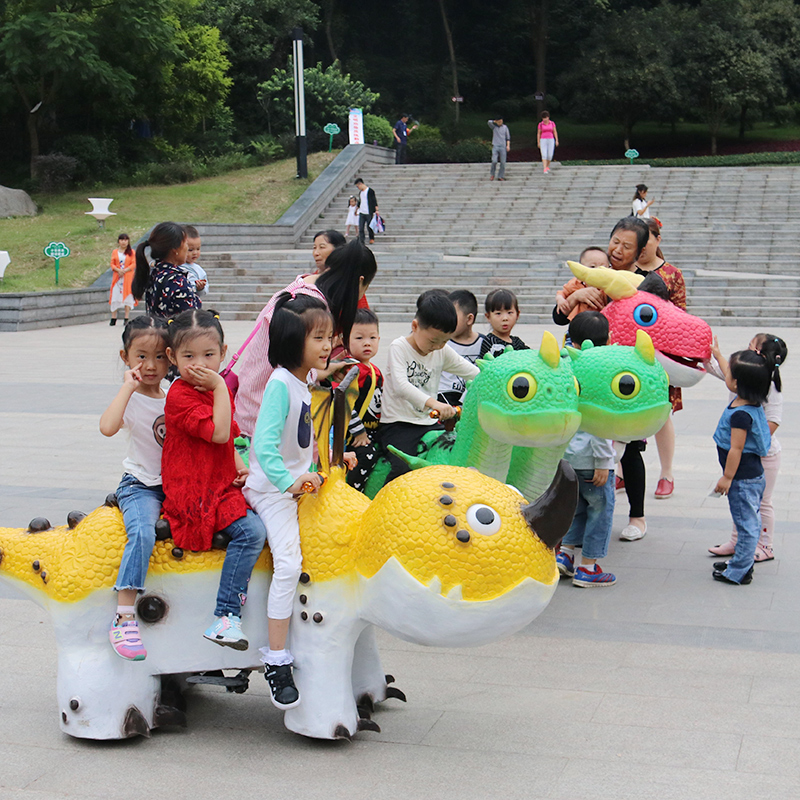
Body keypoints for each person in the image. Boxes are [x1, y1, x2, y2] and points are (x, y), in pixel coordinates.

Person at [243, 294, 337, 709]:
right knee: (290, 563)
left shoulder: (302, 381)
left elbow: (301, 438)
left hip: (299, 485)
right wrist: (289, 483)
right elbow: (263, 445)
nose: (327, 345)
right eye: (318, 338)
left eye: (329, 337)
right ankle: (276, 659)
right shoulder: (280, 382)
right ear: (291, 341)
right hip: (272, 491)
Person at [161, 309, 267, 649]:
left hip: (219, 481)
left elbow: (230, 440)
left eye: (209, 355)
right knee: (252, 533)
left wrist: (239, 466)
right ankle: (226, 615)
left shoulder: (213, 388)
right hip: (195, 490)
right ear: (172, 358)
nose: (200, 364)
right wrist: (221, 384)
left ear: (224, 353)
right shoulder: (180, 395)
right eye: (189, 356)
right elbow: (220, 433)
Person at [234, 240, 378, 442]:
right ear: (360, 281)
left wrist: (326, 369)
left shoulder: (304, 285)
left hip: (254, 406)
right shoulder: (312, 308)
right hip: (268, 420)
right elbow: (292, 369)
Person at [99, 315, 170, 660]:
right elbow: (107, 427)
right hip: (140, 485)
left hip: (172, 485)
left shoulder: (173, 393)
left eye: (160, 356)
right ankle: (124, 615)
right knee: (142, 533)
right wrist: (127, 387)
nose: (151, 365)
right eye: (141, 356)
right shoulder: (130, 397)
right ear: (125, 356)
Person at [378, 291, 480, 485]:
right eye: (434, 341)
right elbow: (401, 386)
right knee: (402, 469)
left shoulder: (441, 350)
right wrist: (435, 404)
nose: (438, 346)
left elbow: (474, 373)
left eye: (445, 341)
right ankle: (386, 504)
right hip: (398, 424)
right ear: (415, 326)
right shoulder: (399, 347)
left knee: (453, 456)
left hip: (429, 423)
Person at [707, 333, 787, 563]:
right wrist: (717, 356)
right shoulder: (748, 378)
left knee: (762, 502)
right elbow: (727, 374)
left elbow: (773, 422)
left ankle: (765, 546)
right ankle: (738, 541)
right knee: (742, 503)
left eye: (750, 347)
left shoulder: (767, 385)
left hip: (762, 456)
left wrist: (748, 443)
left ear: (759, 355)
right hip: (744, 454)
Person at [556, 311, 617, 587]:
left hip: (566, 458)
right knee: (599, 511)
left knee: (576, 508)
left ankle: (565, 555)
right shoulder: (598, 372)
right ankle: (588, 567)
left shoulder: (564, 365)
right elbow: (598, 422)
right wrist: (604, 461)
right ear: (606, 342)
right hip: (593, 461)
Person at [709, 350, 773, 585]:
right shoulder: (749, 401)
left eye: (731, 375)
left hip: (742, 480)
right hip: (750, 476)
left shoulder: (741, 416)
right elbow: (729, 372)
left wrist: (727, 477)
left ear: (737, 383)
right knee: (746, 521)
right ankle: (740, 562)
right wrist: (717, 354)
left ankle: (740, 571)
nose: (727, 376)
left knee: (746, 526)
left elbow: (736, 449)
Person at [635, 218, 687, 499]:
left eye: (647, 240)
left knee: (662, 412)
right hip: (626, 352)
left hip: (660, 354)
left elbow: (681, 315)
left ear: (657, 240)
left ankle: (667, 473)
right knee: (623, 407)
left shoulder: (672, 274)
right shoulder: (623, 271)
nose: (642, 247)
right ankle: (621, 470)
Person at [344, 308, 383, 492]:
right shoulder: (351, 369)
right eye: (359, 338)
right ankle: (351, 492)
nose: (367, 343)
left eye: (372, 338)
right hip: (352, 435)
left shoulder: (375, 370)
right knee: (367, 456)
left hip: (371, 430)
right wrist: (358, 432)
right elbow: (343, 401)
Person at [131, 221, 200, 319]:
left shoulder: (155, 273)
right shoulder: (177, 281)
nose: (187, 248)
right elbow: (189, 322)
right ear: (175, 249)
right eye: (186, 244)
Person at [438, 290, 484, 407]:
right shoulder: (441, 342)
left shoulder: (485, 343)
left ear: (469, 319)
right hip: (445, 396)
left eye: (453, 316)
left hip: (473, 395)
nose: (448, 320)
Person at [553, 247, 611, 326]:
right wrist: (560, 300)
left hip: (600, 327)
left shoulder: (608, 286)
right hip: (577, 326)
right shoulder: (576, 283)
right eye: (592, 267)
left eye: (603, 267)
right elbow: (562, 293)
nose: (598, 270)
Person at [480, 288, 529, 358]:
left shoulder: (517, 343)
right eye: (498, 313)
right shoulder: (489, 342)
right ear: (488, 317)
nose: (505, 318)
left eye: (509, 313)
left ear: (517, 315)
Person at [109, 234, 136, 326]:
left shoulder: (131, 252)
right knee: (115, 295)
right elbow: (112, 264)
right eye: (121, 240)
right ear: (118, 241)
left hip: (127, 276)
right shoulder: (115, 252)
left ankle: (126, 317)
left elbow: (133, 264)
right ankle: (113, 317)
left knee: (128, 295)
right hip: (117, 277)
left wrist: (124, 270)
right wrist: (118, 270)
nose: (123, 242)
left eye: (125, 240)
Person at [180, 225, 209, 298]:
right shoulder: (174, 265)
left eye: (198, 249)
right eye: (190, 250)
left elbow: (205, 291)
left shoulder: (199, 271)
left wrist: (201, 288)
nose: (195, 253)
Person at [354, 178, 378, 245]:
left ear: (360, 184)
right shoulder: (361, 192)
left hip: (368, 212)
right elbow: (360, 201)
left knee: (369, 226)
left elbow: (374, 200)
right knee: (361, 227)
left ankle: (371, 238)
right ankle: (362, 240)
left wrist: (376, 210)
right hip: (362, 212)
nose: (358, 188)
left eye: (357, 186)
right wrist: (356, 209)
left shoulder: (370, 191)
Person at [488, 117, 510, 181]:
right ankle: (492, 174)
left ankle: (500, 176)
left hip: (503, 146)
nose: (500, 122)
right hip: (495, 146)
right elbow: (489, 122)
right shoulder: (494, 127)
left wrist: (508, 146)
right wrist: (494, 121)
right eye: (499, 121)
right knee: (494, 161)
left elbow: (508, 138)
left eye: (501, 121)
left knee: (503, 162)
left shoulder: (505, 127)